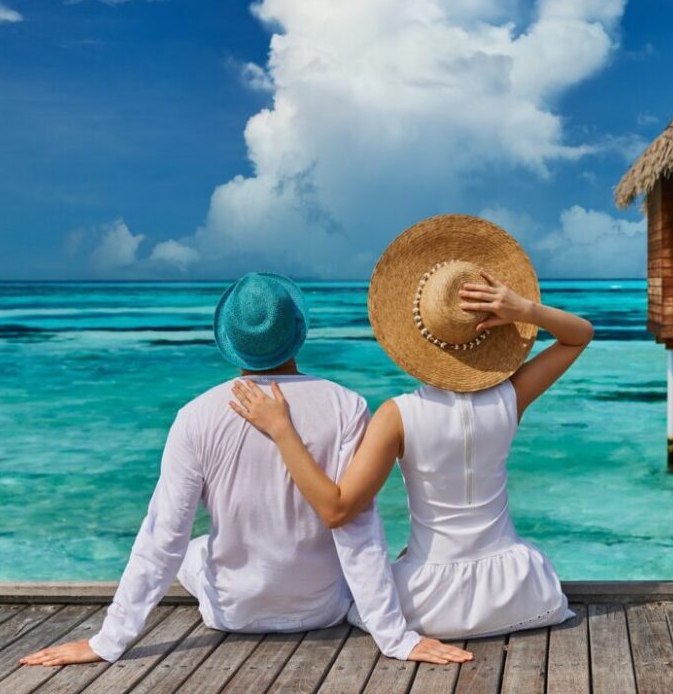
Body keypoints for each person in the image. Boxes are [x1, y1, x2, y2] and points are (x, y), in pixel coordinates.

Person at [20, 272, 471, 668]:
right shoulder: (346, 406)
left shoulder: (196, 416)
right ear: (298, 332)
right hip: (321, 607)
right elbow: (358, 529)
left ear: (230, 339)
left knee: (191, 547)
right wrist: (394, 637)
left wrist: (108, 640)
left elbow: (163, 538)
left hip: (232, 614)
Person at [231, 215, 593, 641]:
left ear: (415, 336)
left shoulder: (398, 415)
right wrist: (524, 310)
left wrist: (282, 430)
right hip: (521, 592)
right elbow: (579, 335)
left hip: (430, 603)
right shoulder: (510, 398)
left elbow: (337, 509)